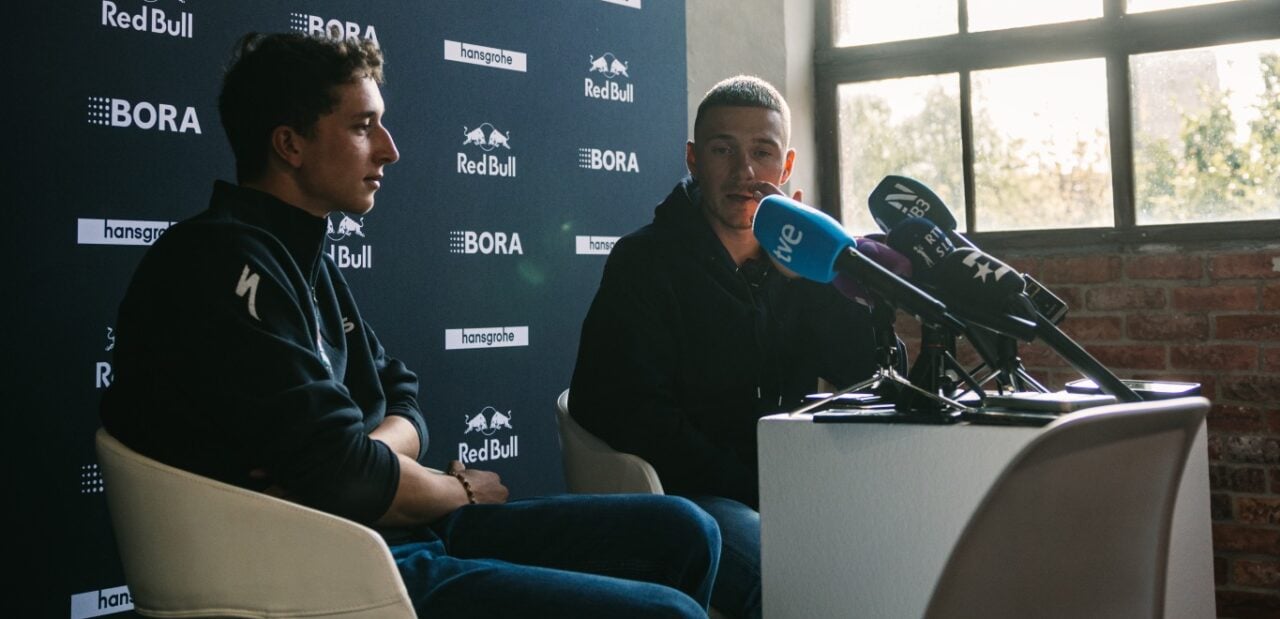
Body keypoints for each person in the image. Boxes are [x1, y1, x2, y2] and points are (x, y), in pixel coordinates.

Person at [101, 32, 720, 618]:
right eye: (362, 126)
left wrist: (366, 463)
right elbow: (347, 477)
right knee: (669, 614)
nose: (389, 149)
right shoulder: (218, 261)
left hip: (395, 527)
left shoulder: (303, 256)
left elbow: (399, 400)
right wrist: (458, 490)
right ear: (289, 145)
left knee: (685, 530)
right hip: (325, 568)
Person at [570, 75, 883, 619]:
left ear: (786, 167)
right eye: (723, 150)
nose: (745, 173)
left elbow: (869, 372)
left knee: (900, 543)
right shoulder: (644, 262)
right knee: (793, 582)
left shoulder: (801, 266)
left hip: (792, 482)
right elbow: (623, 409)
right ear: (693, 160)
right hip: (692, 498)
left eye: (762, 153)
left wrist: (811, 280)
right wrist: (760, 484)